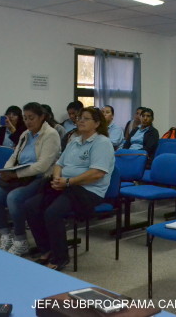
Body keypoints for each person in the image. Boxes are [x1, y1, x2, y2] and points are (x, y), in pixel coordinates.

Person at [25, 107, 115, 271]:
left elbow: (97, 173)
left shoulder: (102, 143)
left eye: (85, 118)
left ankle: (61, 258)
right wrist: (58, 178)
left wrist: (69, 182)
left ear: (96, 123)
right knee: (31, 206)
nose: (80, 120)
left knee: (52, 213)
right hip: (66, 185)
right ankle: (46, 248)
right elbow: (59, 164)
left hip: (88, 191)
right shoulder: (75, 141)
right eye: (79, 117)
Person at [0, 102, 61, 256]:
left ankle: (21, 240)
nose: (27, 122)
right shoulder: (25, 134)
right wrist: (6, 170)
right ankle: (6, 235)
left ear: (42, 117)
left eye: (31, 118)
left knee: (14, 198)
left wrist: (14, 175)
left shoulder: (51, 134)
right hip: (20, 176)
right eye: (25, 118)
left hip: (41, 178)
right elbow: (14, 156)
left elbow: (42, 166)